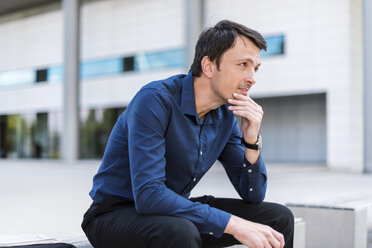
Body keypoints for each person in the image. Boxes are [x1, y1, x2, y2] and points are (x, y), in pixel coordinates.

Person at [82, 20, 294, 248]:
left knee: (278, 218)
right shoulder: (154, 100)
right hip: (114, 215)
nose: (252, 77)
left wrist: (251, 141)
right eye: (243, 64)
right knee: (181, 232)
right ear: (209, 66)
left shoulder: (225, 117)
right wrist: (233, 224)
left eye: (256, 68)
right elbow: (149, 195)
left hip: (171, 212)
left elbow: (253, 195)